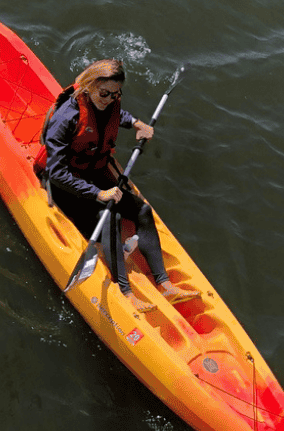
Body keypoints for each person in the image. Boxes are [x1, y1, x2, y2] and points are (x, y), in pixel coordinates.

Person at [34, 58, 199, 310]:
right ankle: (125, 291)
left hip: (95, 171)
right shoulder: (66, 118)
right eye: (104, 93)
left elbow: (116, 114)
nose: (109, 98)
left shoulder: (108, 103)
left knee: (142, 210)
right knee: (109, 217)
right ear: (89, 85)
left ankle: (165, 285)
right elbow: (57, 173)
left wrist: (137, 124)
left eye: (115, 94)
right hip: (67, 183)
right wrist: (98, 193)